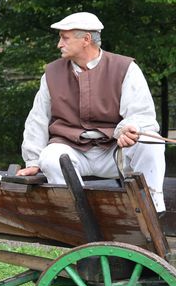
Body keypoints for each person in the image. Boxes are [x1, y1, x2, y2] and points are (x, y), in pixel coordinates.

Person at [16, 12, 165, 216]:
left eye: (65, 38)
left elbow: (142, 114)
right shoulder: (51, 74)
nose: (59, 44)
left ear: (86, 39)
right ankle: (76, 214)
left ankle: (151, 207)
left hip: (114, 153)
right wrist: (33, 161)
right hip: (72, 150)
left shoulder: (125, 68)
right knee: (50, 157)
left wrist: (129, 129)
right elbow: (38, 119)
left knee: (152, 142)